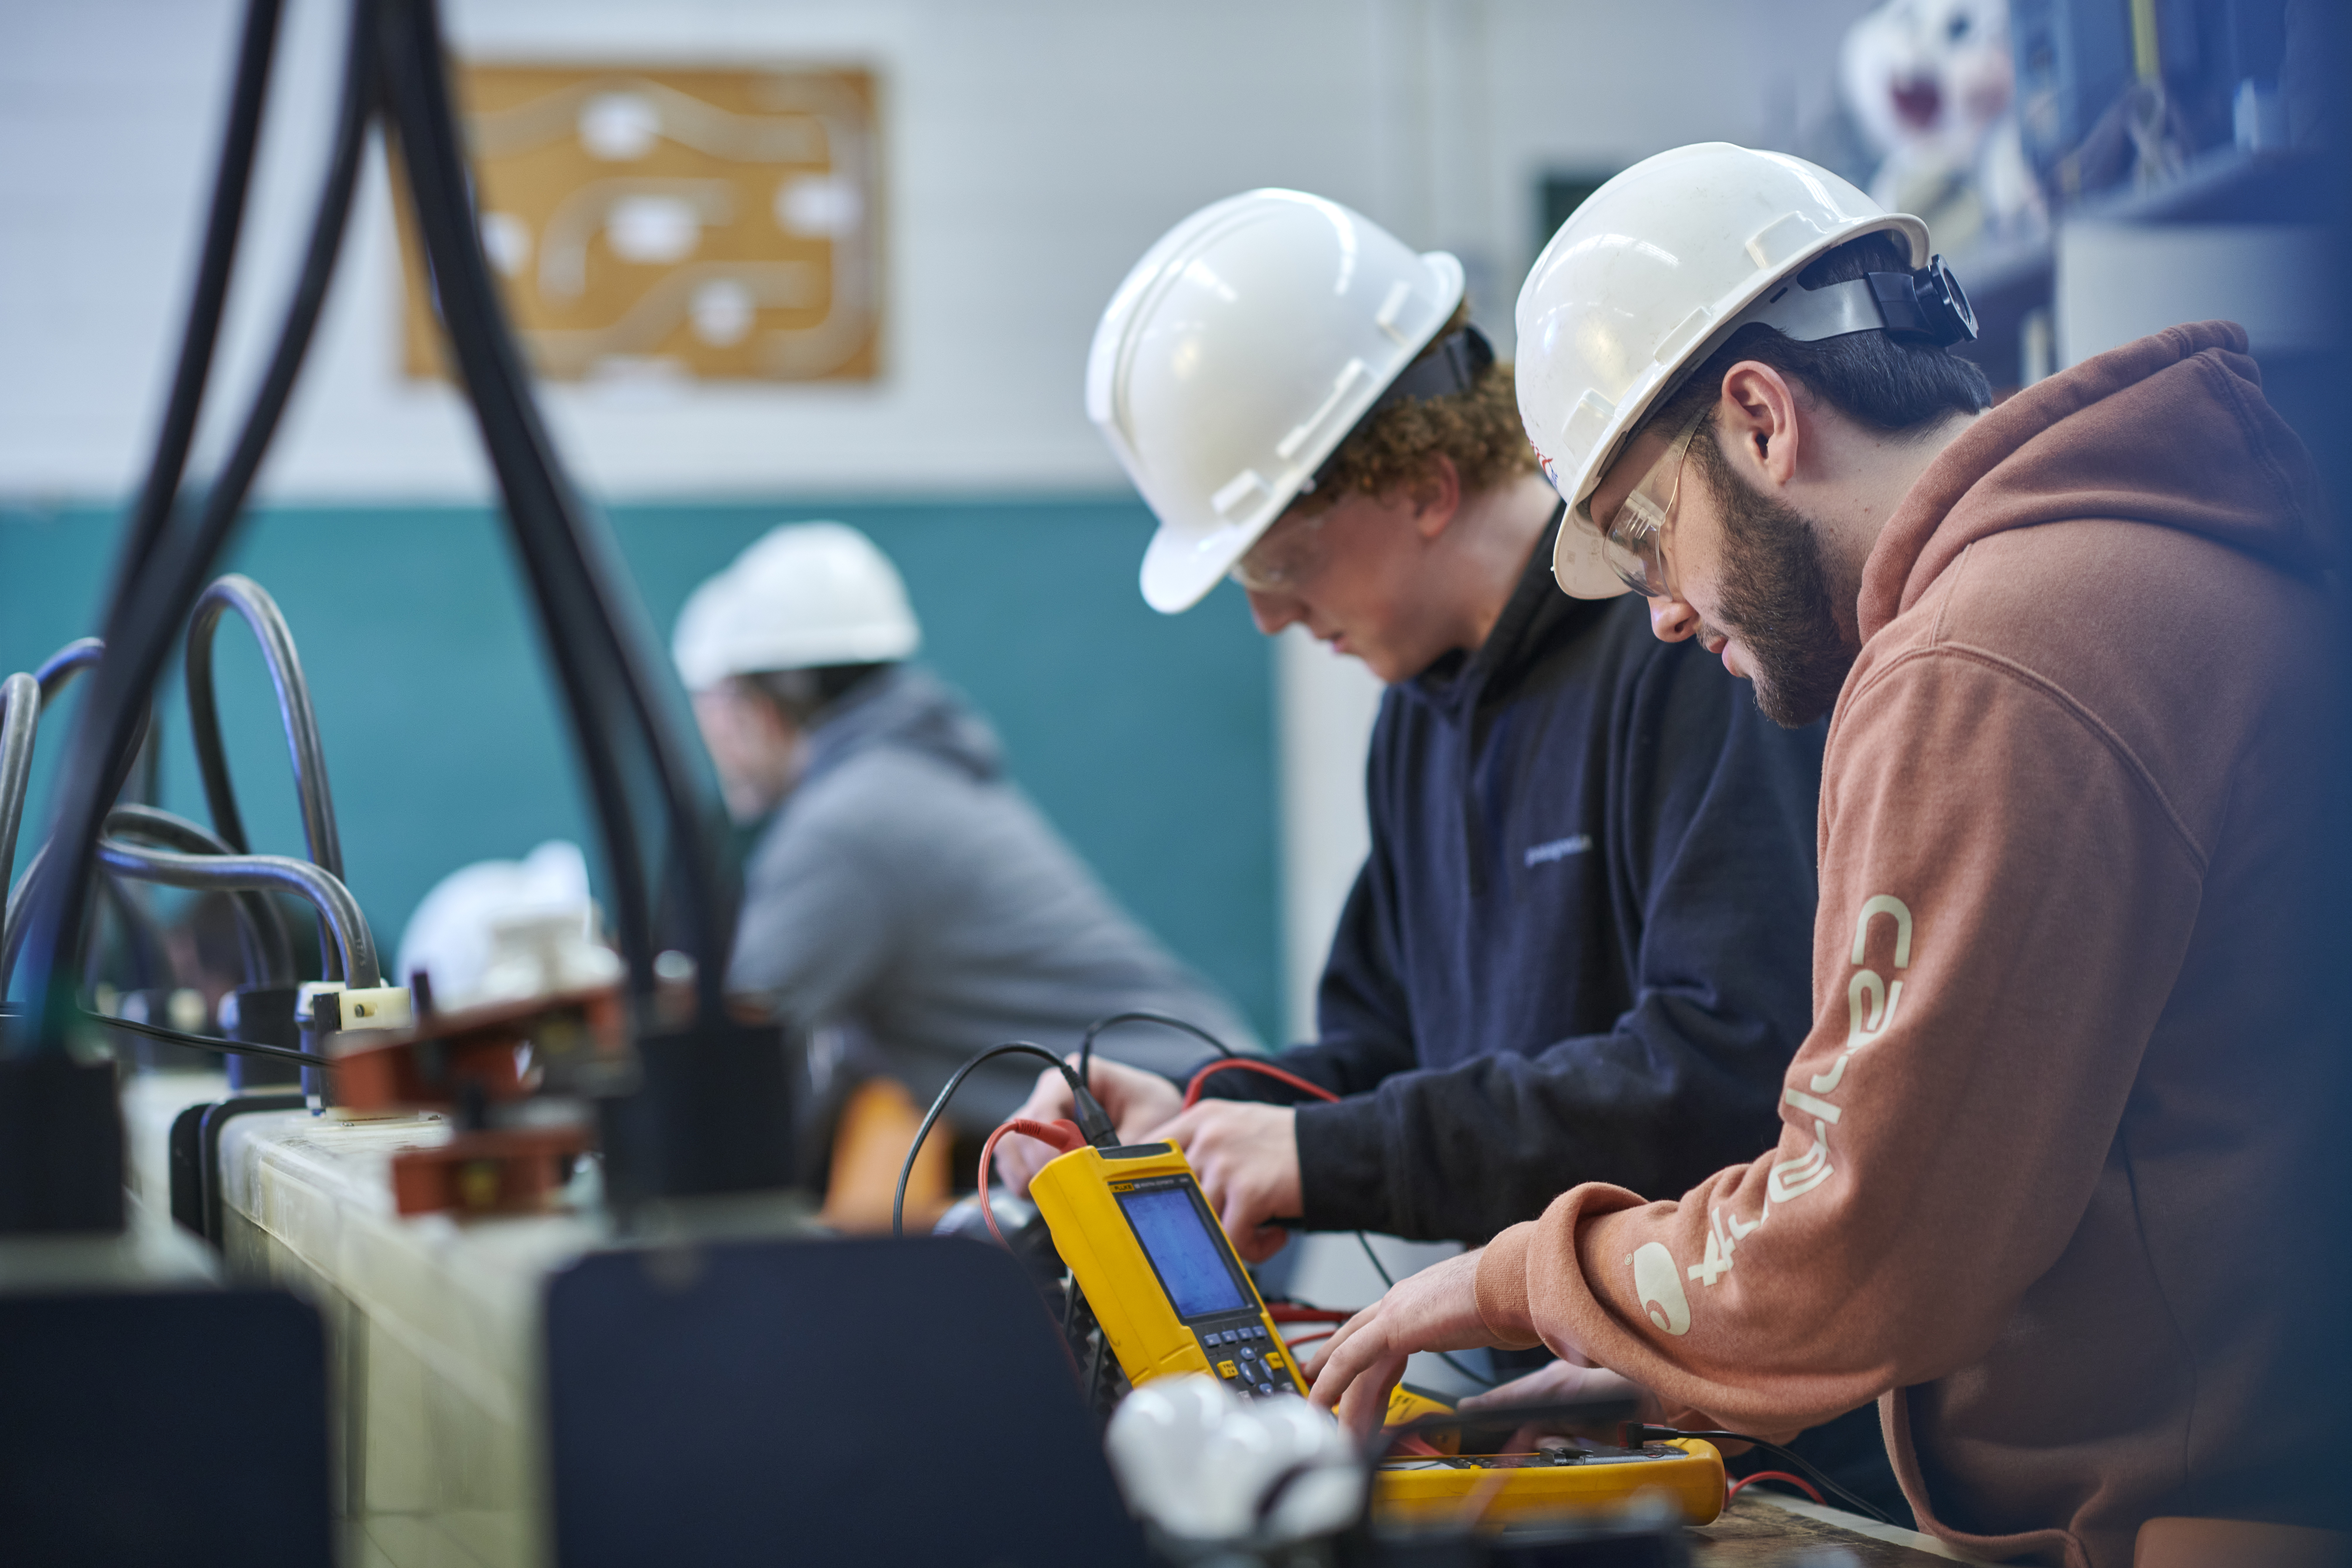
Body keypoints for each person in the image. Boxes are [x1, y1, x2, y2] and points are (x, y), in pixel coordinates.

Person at [1302, 144, 2348, 1567]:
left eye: (1648, 537)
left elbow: (1863, 1240)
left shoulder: (1985, 658)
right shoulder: (2115, 573)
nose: (1661, 615)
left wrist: (1513, 1280)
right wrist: (1672, 1356)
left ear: (1758, 418)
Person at [999, 188, 1875, 1494]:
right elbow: (1385, 1050)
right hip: (1552, 1412)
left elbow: (1722, 1070)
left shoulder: (1688, 656)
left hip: (1762, 1448)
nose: (1270, 619)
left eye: (1282, 563)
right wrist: (1204, 1119)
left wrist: (1318, 1155)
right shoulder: (1420, 718)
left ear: (1423, 482)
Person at [672, 521, 1255, 1140]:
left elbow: (726, 1053)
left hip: (1172, 1141)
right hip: (1200, 1112)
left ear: (755, 708)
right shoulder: (909, 779)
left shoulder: (848, 830)